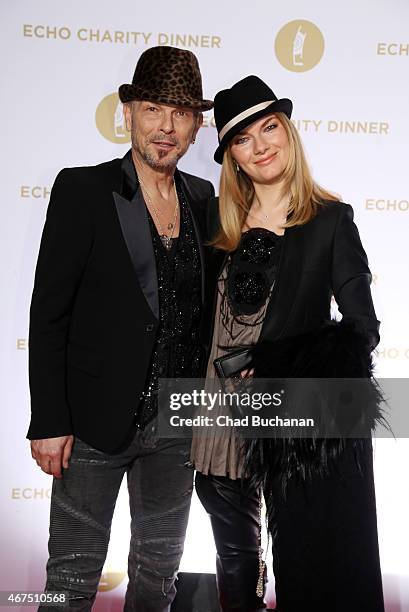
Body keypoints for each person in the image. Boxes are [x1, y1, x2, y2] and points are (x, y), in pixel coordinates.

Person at [27, 45, 214, 611]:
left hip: (177, 425)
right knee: (72, 577)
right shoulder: (82, 190)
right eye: (154, 108)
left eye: (181, 114)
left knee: (158, 577)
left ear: (197, 125)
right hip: (91, 422)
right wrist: (49, 420)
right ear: (128, 111)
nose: (166, 127)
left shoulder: (202, 198)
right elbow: (48, 313)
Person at [191, 76, 384, 611]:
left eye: (269, 128)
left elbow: (363, 331)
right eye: (243, 139)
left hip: (292, 417)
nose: (261, 145)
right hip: (217, 416)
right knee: (236, 562)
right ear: (232, 157)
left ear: (289, 132)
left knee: (310, 560)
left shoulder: (329, 220)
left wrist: (279, 365)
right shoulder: (217, 222)